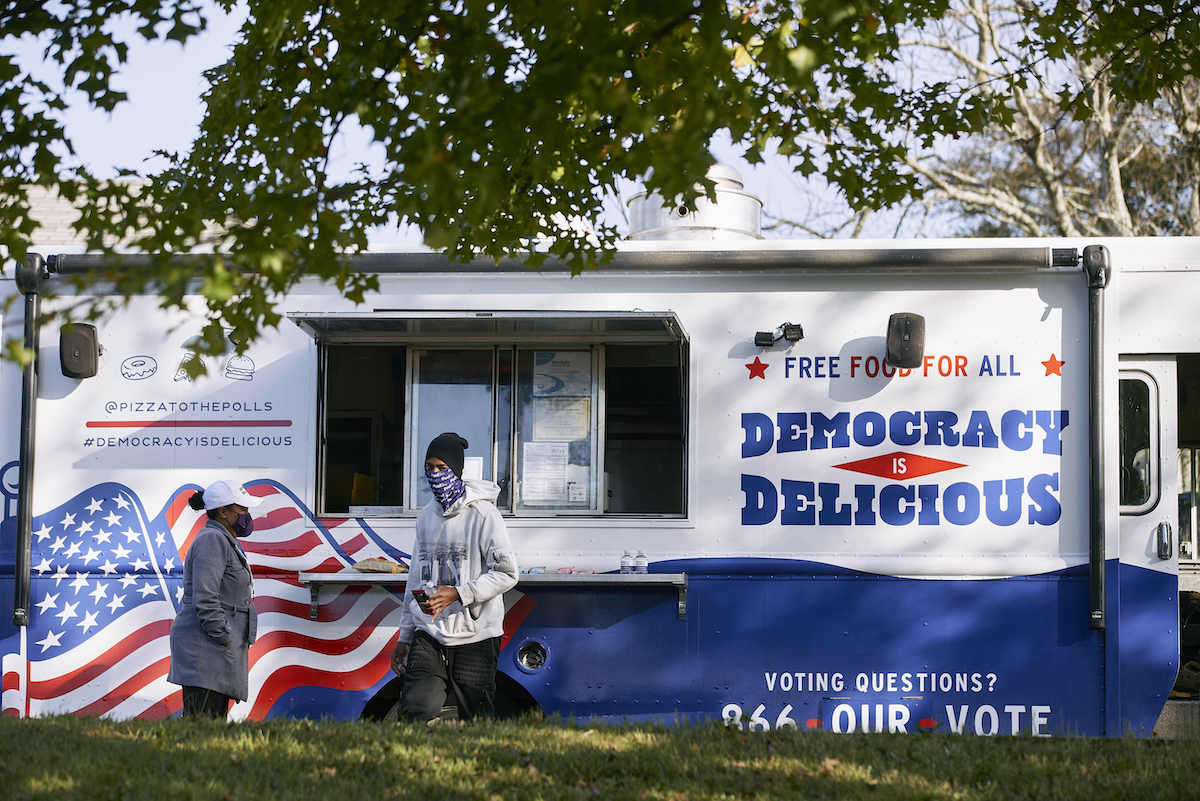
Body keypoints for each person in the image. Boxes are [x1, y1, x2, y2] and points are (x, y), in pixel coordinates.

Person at [391, 432, 519, 721]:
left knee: (478, 716)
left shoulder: (484, 515)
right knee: (414, 712)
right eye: (429, 468)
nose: (435, 475)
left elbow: (507, 573)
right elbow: (416, 578)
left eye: (442, 468)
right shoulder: (425, 517)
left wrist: (459, 594)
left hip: (476, 634)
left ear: (457, 471)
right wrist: (405, 636)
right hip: (430, 631)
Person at [167, 479, 262, 718]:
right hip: (207, 650)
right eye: (242, 510)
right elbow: (205, 598)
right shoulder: (212, 539)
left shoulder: (225, 540)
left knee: (212, 723)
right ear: (223, 512)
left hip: (215, 649)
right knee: (202, 724)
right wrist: (225, 638)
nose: (247, 516)